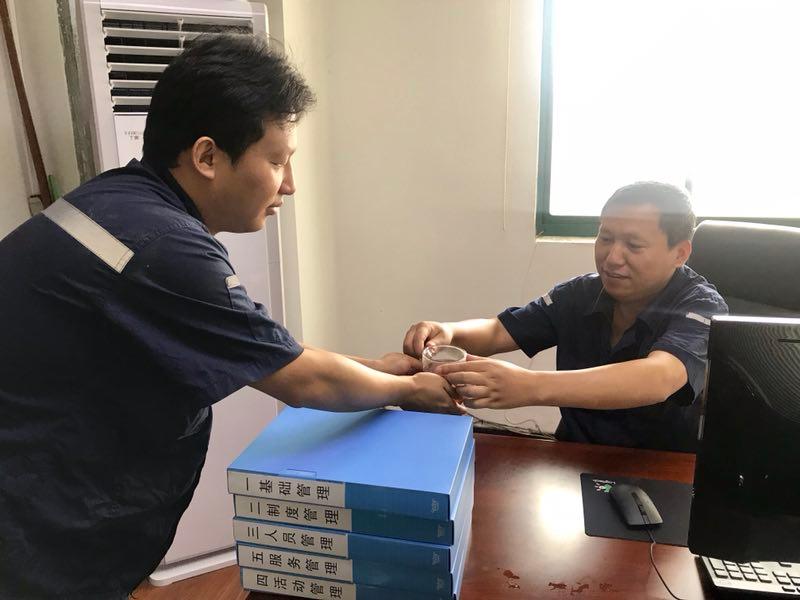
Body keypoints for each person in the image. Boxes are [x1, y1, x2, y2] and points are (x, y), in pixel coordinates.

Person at [0, 34, 459, 600]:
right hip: (29, 519)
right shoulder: (164, 246)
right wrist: (411, 390)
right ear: (207, 157)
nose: (289, 184)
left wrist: (382, 368)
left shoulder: (118, 200)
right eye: (277, 161)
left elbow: (270, 350)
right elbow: (303, 380)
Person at [404, 181, 728, 453]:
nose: (612, 258)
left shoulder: (701, 305)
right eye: (606, 238)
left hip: (659, 469)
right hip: (572, 455)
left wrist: (529, 386)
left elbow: (659, 376)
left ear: (680, 253)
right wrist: (448, 331)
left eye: (633, 245)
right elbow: (499, 331)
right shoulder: (579, 293)